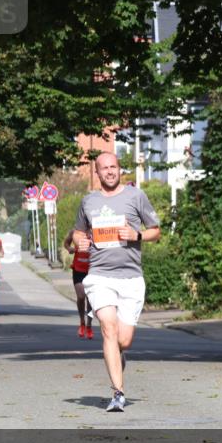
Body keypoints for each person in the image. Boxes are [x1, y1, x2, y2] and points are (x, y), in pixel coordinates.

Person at [73, 152, 161, 412]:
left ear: (119, 170)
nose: (110, 171)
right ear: (97, 173)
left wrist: (138, 235)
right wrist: (81, 241)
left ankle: (118, 356)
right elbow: (78, 231)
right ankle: (118, 393)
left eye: (113, 167)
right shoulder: (88, 201)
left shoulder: (136, 196)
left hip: (131, 278)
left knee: (123, 340)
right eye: (104, 168)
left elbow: (156, 230)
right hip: (99, 275)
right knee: (108, 329)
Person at [63, 228, 94, 339]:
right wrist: (70, 249)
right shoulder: (75, 232)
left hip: (92, 270)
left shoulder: (95, 230)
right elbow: (66, 243)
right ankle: (82, 322)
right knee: (81, 296)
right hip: (78, 269)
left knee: (90, 298)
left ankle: (89, 325)